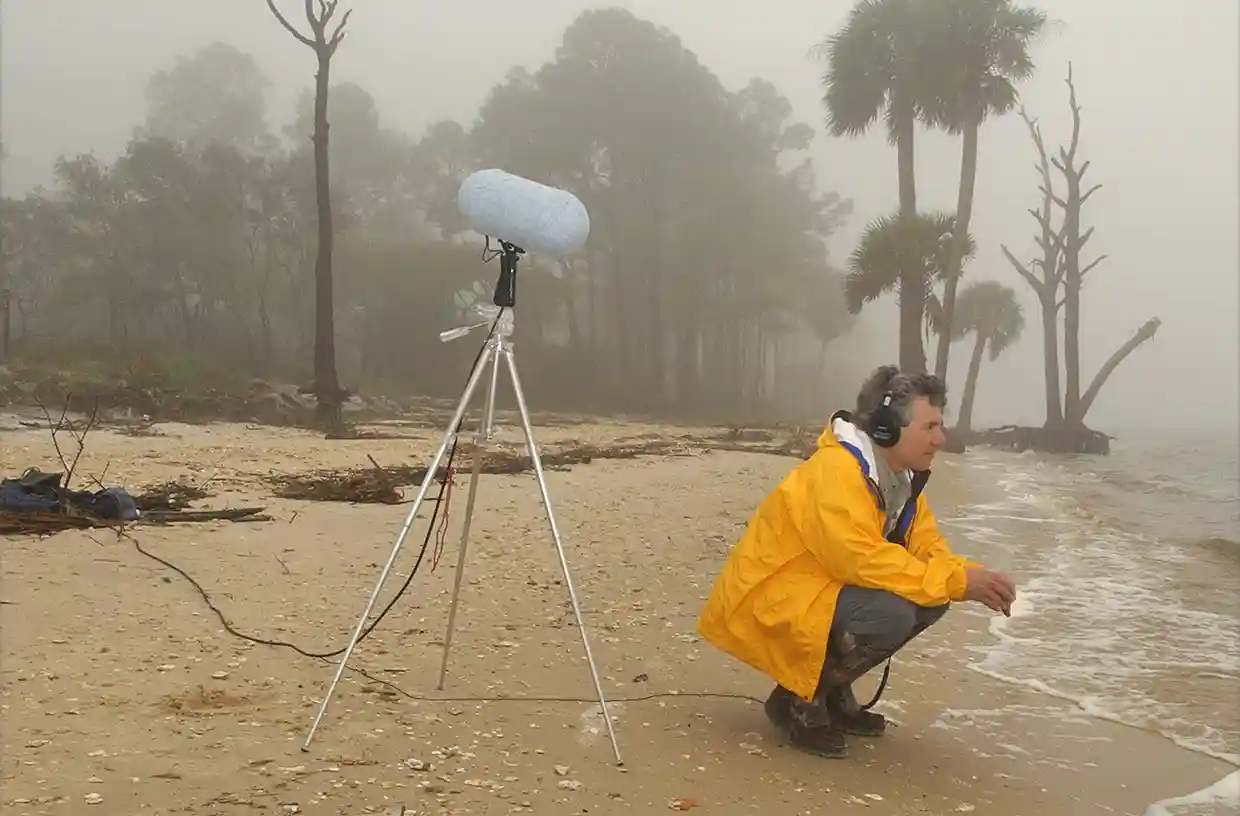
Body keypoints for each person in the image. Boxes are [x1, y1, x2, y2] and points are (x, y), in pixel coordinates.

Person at [697, 365, 1017, 759]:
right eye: (930, 427)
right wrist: (955, 580)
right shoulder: (838, 470)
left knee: (932, 596)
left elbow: (927, 547)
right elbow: (856, 558)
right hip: (775, 595)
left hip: (818, 589)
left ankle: (831, 693)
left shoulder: (900, 479)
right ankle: (799, 697)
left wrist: (970, 575)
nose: (941, 439)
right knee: (893, 612)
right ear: (886, 427)